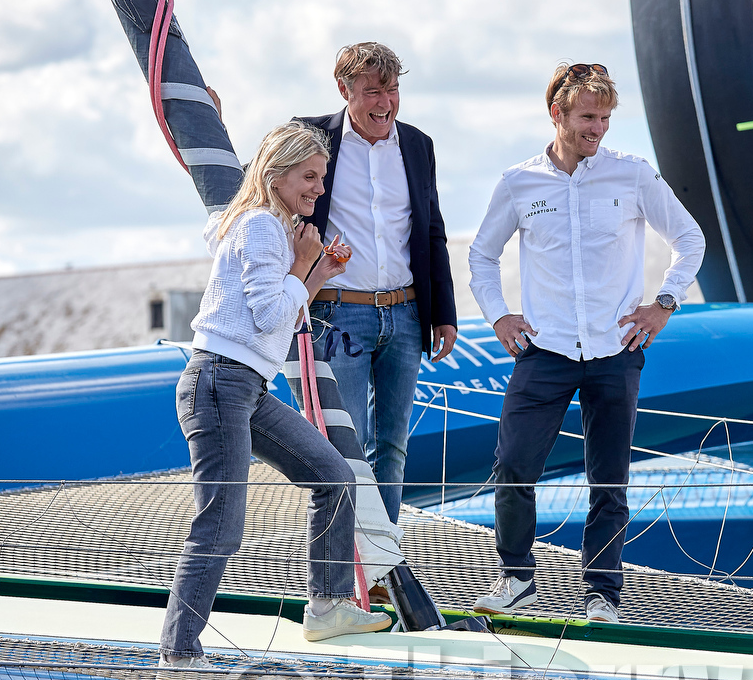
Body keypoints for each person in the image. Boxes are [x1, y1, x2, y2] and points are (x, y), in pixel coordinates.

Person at [467, 63, 705, 624]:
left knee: (609, 478)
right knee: (514, 467)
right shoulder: (518, 182)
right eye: (586, 117)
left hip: (615, 350)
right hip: (543, 351)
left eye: (604, 118)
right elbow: (481, 255)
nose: (597, 129)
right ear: (557, 113)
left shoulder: (633, 175)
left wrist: (664, 303)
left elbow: (689, 238)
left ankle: (603, 594)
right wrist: (499, 316)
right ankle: (517, 579)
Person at [159, 122, 391, 680]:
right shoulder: (262, 225)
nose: (317, 188)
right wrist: (301, 267)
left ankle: (329, 605)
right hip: (219, 381)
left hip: (244, 384)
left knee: (332, 476)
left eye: (321, 178)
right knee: (221, 522)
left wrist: (315, 276)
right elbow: (268, 317)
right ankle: (178, 656)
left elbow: (279, 315)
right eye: (308, 177)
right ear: (276, 174)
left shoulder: (261, 227)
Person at [294, 42, 459, 521]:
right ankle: (343, 561)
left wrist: (443, 314)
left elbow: (432, 230)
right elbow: (262, 187)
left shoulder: (418, 143)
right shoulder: (308, 136)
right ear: (343, 90)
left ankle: (385, 559)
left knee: (393, 445)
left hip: (406, 315)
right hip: (336, 313)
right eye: (372, 91)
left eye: (392, 89)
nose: (385, 102)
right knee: (340, 446)